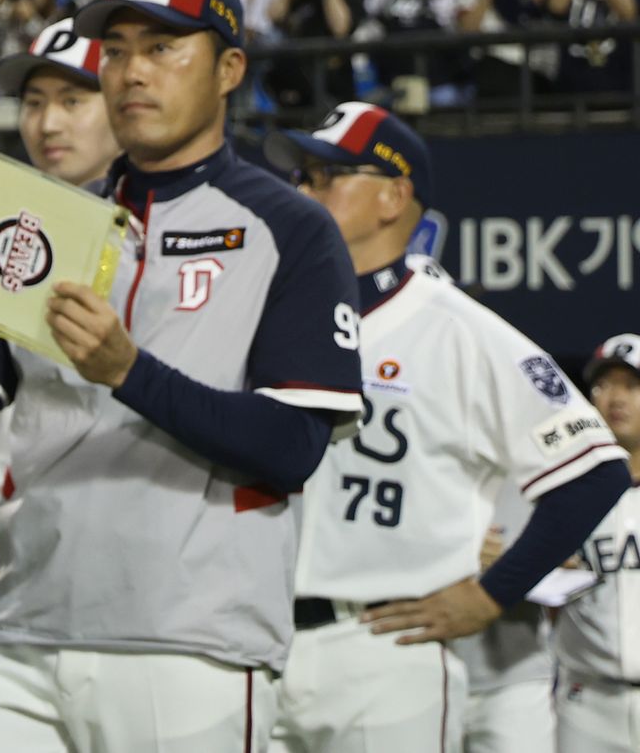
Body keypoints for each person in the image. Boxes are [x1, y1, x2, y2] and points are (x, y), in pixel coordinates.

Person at [0, 0, 363, 751]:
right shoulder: (47, 221)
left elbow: (293, 445)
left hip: (188, 642)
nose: (132, 71)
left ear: (229, 68)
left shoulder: (292, 229)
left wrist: (128, 372)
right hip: (22, 631)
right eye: (117, 49)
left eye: (164, 47)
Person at [263, 104, 627, 751]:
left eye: (326, 174)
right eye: (302, 175)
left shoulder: (458, 327)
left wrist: (493, 594)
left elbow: (595, 471)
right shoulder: (270, 310)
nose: (302, 189)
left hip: (382, 646)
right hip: (256, 635)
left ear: (394, 196)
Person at [0, 18, 120, 616]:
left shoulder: (179, 233)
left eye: (71, 100)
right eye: (33, 103)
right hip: (28, 571)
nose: (47, 122)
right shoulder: (3, 239)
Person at [552, 334, 640, 753]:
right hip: (585, 703)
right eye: (603, 386)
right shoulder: (560, 491)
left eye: (631, 385)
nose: (615, 397)